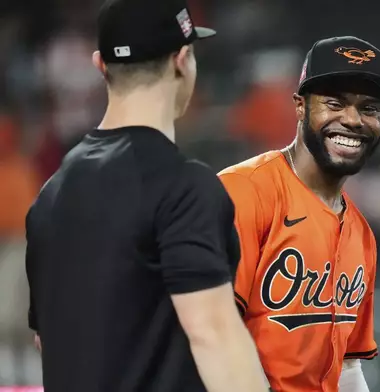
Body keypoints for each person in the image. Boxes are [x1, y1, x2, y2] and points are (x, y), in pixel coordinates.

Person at [25, 0, 267, 391]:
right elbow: (213, 334)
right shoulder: (184, 188)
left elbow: (48, 342)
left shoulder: (50, 196)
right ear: (182, 60)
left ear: (100, 65)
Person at [218, 36, 380, 392]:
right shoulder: (244, 191)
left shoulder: (361, 235)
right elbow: (211, 333)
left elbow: (347, 367)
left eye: (369, 108)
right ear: (300, 106)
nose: (352, 120)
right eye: (334, 103)